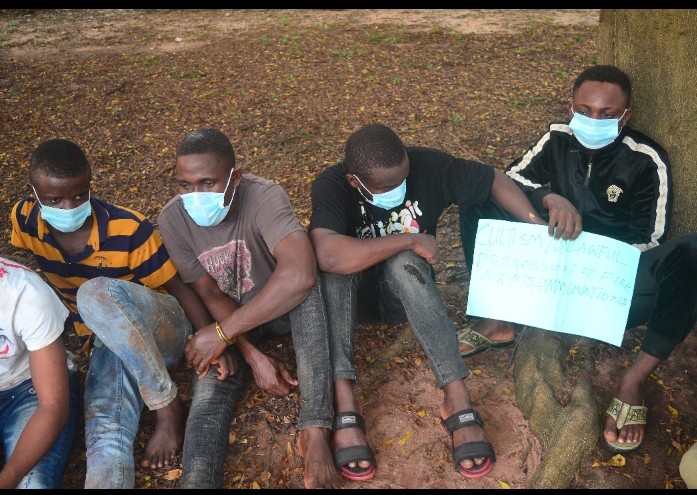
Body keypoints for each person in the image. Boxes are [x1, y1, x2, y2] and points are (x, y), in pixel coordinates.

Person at [460, 64, 697, 453]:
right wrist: (548, 198)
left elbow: (650, 239)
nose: (593, 120)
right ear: (571, 107)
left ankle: (633, 380)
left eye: (606, 114)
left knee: (691, 252)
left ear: (625, 117)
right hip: (548, 267)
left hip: (609, 290)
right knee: (480, 193)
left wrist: (590, 258)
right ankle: (497, 319)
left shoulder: (646, 159)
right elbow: (511, 179)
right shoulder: (557, 139)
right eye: (584, 111)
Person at [307, 123, 544, 480]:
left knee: (405, 263)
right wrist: (409, 239)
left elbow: (492, 179)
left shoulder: (428, 165)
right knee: (335, 272)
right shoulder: (332, 185)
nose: (399, 190)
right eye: (387, 187)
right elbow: (327, 254)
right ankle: (345, 401)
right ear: (355, 181)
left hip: (407, 293)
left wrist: (534, 222)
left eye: (403, 180)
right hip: (353, 302)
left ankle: (456, 395)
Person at [10, 138, 213, 488]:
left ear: (90, 186)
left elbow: (180, 290)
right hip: (106, 341)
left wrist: (214, 337)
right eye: (54, 200)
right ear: (34, 193)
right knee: (104, 426)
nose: (68, 207)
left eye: (79, 196)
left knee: (95, 293)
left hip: (161, 325)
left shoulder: (129, 229)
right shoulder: (24, 220)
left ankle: (168, 407)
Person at [156, 128, 342, 489]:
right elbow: (208, 292)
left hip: (281, 307)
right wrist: (246, 351)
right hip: (230, 319)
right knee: (209, 385)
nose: (195, 195)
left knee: (311, 288)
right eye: (184, 185)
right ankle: (197, 480)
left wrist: (222, 333)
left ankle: (315, 430)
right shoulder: (173, 219)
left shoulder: (264, 196)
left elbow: (299, 275)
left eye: (207, 183)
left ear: (235, 177)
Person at [0, 256, 80, 489]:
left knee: (31, 483)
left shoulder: (25, 293)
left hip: (30, 388)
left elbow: (52, 405)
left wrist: (7, 479)